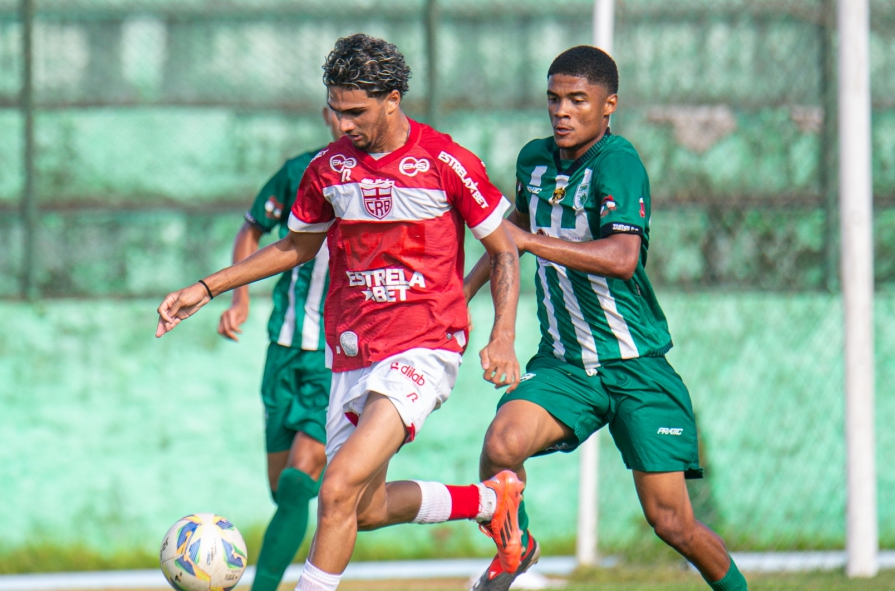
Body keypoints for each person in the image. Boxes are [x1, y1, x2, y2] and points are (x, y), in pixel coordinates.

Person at [156, 33, 527, 591]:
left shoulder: (446, 161)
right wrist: (208, 288)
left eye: (356, 111)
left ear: (394, 99)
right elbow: (295, 246)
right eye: (336, 110)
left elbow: (504, 248)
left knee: (335, 487)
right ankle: (488, 501)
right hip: (351, 353)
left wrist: (502, 336)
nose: (344, 123)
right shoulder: (328, 170)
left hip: (424, 347)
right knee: (364, 507)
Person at [463, 46, 749, 591]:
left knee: (672, 523)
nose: (562, 111)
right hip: (565, 366)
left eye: (577, 100)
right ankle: (516, 549)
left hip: (637, 367)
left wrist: (529, 241)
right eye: (554, 99)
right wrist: (461, 293)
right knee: (500, 446)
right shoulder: (534, 160)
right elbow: (514, 231)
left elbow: (622, 259)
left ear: (608, 104)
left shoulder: (619, 162)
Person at [216, 108, 341, 591]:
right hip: (282, 353)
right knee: (283, 489)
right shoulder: (298, 172)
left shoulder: (378, 183)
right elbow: (251, 228)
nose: (347, 122)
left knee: (296, 480)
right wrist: (239, 297)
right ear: (328, 113)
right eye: (339, 110)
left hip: (333, 361)